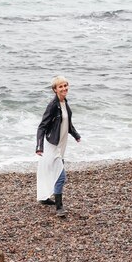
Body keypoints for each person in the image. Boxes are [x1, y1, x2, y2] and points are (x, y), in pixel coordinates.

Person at [36, 75, 81, 217]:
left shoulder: (64, 103)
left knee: (50, 170)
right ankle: (59, 208)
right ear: (55, 90)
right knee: (61, 176)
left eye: (65, 85)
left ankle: (43, 198)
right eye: (60, 86)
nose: (64, 88)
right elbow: (42, 127)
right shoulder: (52, 105)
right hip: (52, 145)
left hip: (61, 145)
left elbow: (68, 123)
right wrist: (39, 146)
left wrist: (76, 135)